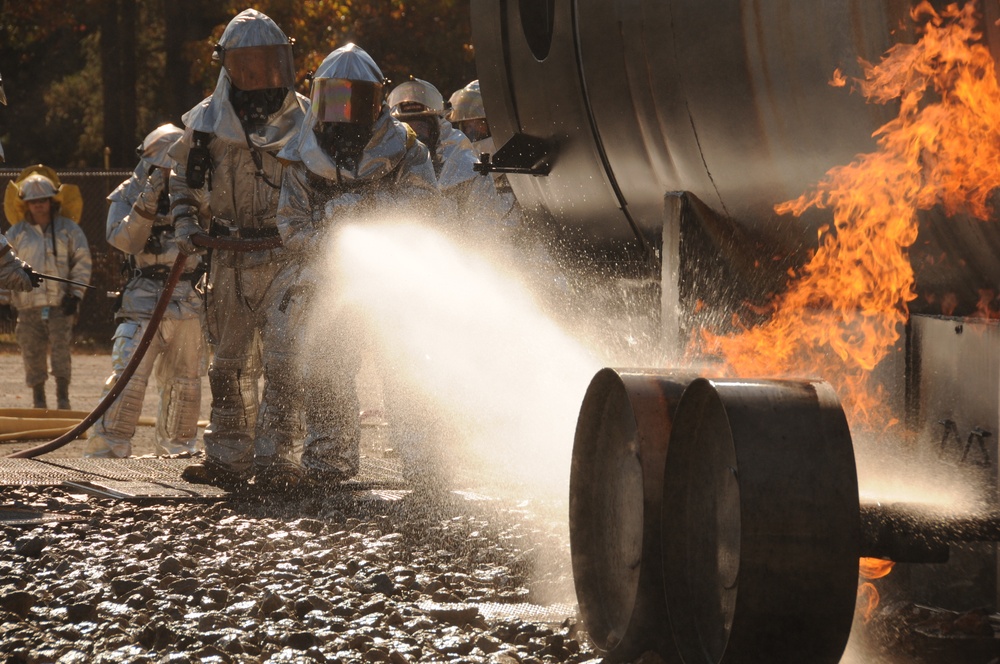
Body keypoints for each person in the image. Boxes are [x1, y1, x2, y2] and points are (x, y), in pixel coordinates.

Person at [271, 43, 438, 487]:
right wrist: (328, 238)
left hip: (390, 284)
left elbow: (422, 211)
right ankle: (329, 463)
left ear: (377, 101)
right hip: (328, 283)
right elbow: (290, 224)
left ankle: (422, 465)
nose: (344, 114)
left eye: (355, 100)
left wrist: (368, 217)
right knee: (326, 369)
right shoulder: (301, 157)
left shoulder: (406, 151)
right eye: (335, 100)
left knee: (404, 369)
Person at [168, 8, 307, 487]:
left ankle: (278, 460)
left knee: (285, 362)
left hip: (286, 257)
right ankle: (227, 456)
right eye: (246, 64)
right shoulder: (205, 124)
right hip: (227, 255)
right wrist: (186, 222)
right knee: (227, 364)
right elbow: (181, 182)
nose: (256, 75)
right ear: (227, 65)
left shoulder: (306, 121)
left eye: (265, 62)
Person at [84, 123, 207, 458]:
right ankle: (108, 450)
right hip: (143, 299)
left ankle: (177, 451)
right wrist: (145, 207)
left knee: (186, 384)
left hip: (188, 299)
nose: (169, 174)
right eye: (162, 166)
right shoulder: (128, 193)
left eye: (175, 165)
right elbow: (123, 239)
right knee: (128, 379)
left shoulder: (201, 193)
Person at [0, 170, 91, 409]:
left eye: (43, 200)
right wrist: (4, 301)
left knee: (61, 351)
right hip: (27, 306)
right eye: (33, 201)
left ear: (52, 201)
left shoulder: (69, 230)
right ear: (25, 204)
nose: (38, 205)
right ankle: (38, 401)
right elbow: (4, 269)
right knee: (31, 353)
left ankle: (63, 399)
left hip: (60, 304)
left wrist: (75, 294)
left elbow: (81, 262)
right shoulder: (15, 234)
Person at [387, 77, 504, 236]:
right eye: (406, 130)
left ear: (437, 128)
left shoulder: (469, 172)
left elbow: (485, 236)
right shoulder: (382, 169)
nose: (414, 136)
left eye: (421, 127)